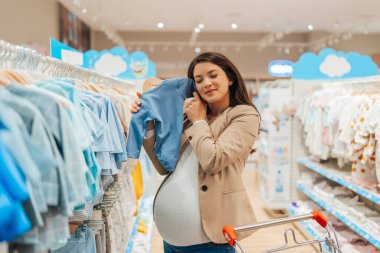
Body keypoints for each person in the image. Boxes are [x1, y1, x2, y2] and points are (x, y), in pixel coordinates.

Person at [130, 52, 260, 253]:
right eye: (199, 80)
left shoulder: (243, 115)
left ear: (231, 78)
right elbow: (164, 166)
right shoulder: (189, 114)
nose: (206, 83)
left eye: (213, 75)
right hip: (171, 239)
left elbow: (213, 160)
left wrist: (199, 121)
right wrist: (148, 124)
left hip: (208, 240)